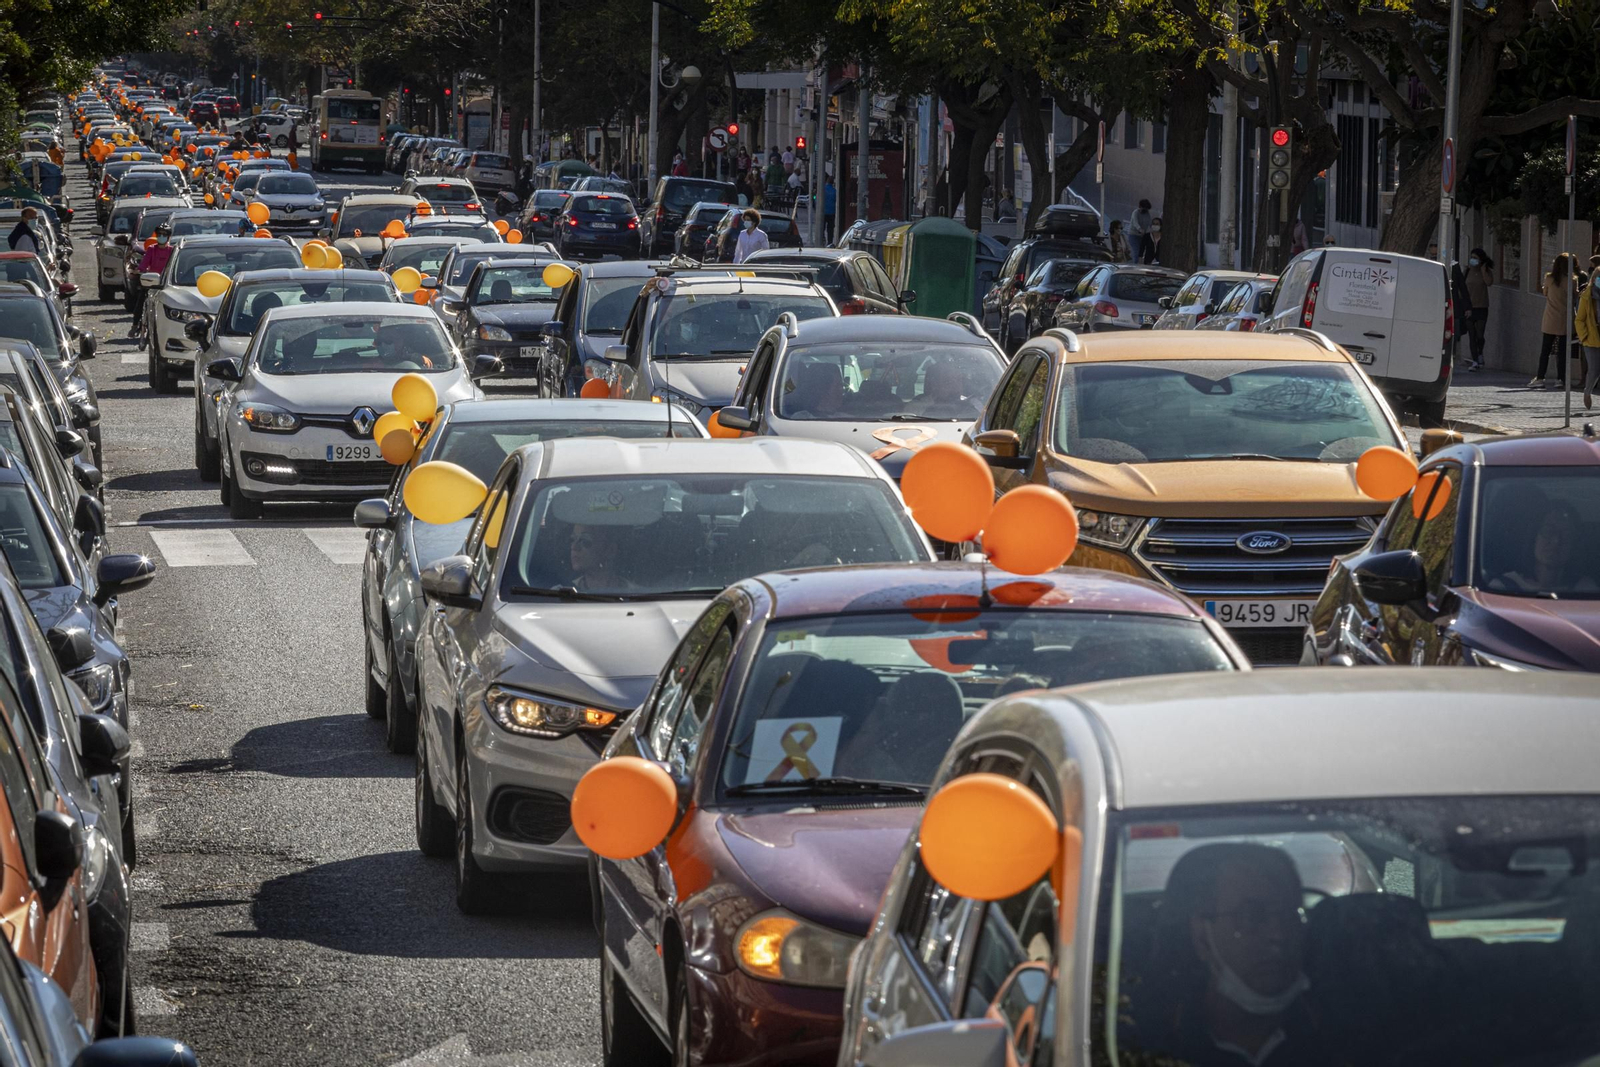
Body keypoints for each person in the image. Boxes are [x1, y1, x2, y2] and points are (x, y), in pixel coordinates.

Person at [1132, 842, 1323, 1067]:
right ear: (1202, 936)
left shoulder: (1347, 1038)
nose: (1278, 935)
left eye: (1290, 915)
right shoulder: (1146, 1047)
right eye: (1251, 916)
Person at [1531, 252, 1576, 389]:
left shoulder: (1549, 278)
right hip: (1565, 317)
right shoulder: (1572, 280)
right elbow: (1574, 296)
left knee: (1545, 349)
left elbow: (1545, 293)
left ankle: (1540, 377)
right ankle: (1560, 379)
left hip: (1550, 317)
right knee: (1562, 351)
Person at [130, 223, 175, 338]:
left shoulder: (172, 251)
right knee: (140, 301)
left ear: (169, 237)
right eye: (159, 234)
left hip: (165, 283)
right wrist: (138, 271)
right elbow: (144, 265)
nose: (161, 237)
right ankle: (135, 325)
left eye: (164, 235)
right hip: (151, 282)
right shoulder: (151, 249)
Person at [569, 524, 635, 591]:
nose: (574, 547)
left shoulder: (637, 596)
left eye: (585, 540)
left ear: (611, 550)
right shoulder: (562, 592)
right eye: (572, 539)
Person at [1463, 248, 1494, 371]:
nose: (1473, 260)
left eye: (1475, 258)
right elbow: (1462, 289)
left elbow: (1489, 282)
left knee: (1480, 335)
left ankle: (1480, 353)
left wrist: (1483, 270)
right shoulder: (1467, 271)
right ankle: (1475, 360)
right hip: (1469, 308)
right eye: (1472, 257)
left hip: (1481, 307)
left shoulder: (1485, 271)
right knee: (1472, 334)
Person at [1579, 257, 1600, 409]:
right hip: (1592, 338)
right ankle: (1587, 392)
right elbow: (1579, 320)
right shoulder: (1587, 297)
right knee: (1594, 370)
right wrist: (1584, 336)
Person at [822, 178, 837, 243]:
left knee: (822, 228)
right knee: (830, 228)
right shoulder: (834, 191)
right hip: (832, 212)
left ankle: (822, 239)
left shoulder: (822, 190)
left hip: (823, 212)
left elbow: (816, 199)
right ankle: (830, 241)